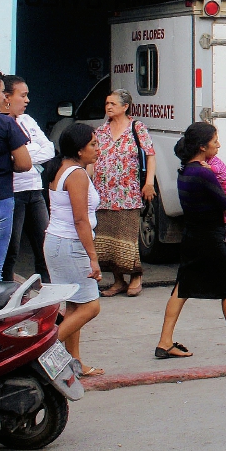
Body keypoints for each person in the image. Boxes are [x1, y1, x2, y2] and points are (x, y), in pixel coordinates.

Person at [156, 123, 226, 358]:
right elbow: (225, 204)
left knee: (182, 287)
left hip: (192, 236)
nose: (218, 145)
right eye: (215, 141)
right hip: (209, 238)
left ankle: (164, 341)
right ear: (202, 146)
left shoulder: (186, 170)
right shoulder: (205, 173)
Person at [44, 123, 103, 376]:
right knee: (91, 307)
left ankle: (73, 363)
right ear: (79, 150)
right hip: (70, 244)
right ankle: (42, 352)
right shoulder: (76, 174)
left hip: (57, 242)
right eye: (93, 144)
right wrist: (93, 258)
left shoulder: (63, 167)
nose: (98, 149)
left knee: (75, 307)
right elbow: (81, 220)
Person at [92, 89, 156, 297]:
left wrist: (149, 183)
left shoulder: (137, 128)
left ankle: (135, 276)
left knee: (127, 238)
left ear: (125, 106)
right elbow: (93, 159)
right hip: (104, 195)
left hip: (128, 193)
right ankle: (118, 280)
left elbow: (150, 156)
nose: (108, 107)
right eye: (107, 103)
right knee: (107, 240)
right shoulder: (101, 131)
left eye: (113, 103)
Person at [1, 75, 53, 282]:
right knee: (11, 248)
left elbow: (49, 148)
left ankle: (49, 293)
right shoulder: (1, 123)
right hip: (13, 192)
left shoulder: (27, 120)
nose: (27, 100)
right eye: (22, 96)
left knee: (45, 244)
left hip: (35, 190)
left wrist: (23, 156)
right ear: (7, 97)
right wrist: (28, 152)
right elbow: (6, 156)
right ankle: (4, 295)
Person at [0, 72, 31, 280]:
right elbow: (24, 163)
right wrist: (5, 164)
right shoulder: (5, 124)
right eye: (0, 92)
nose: (4, 98)